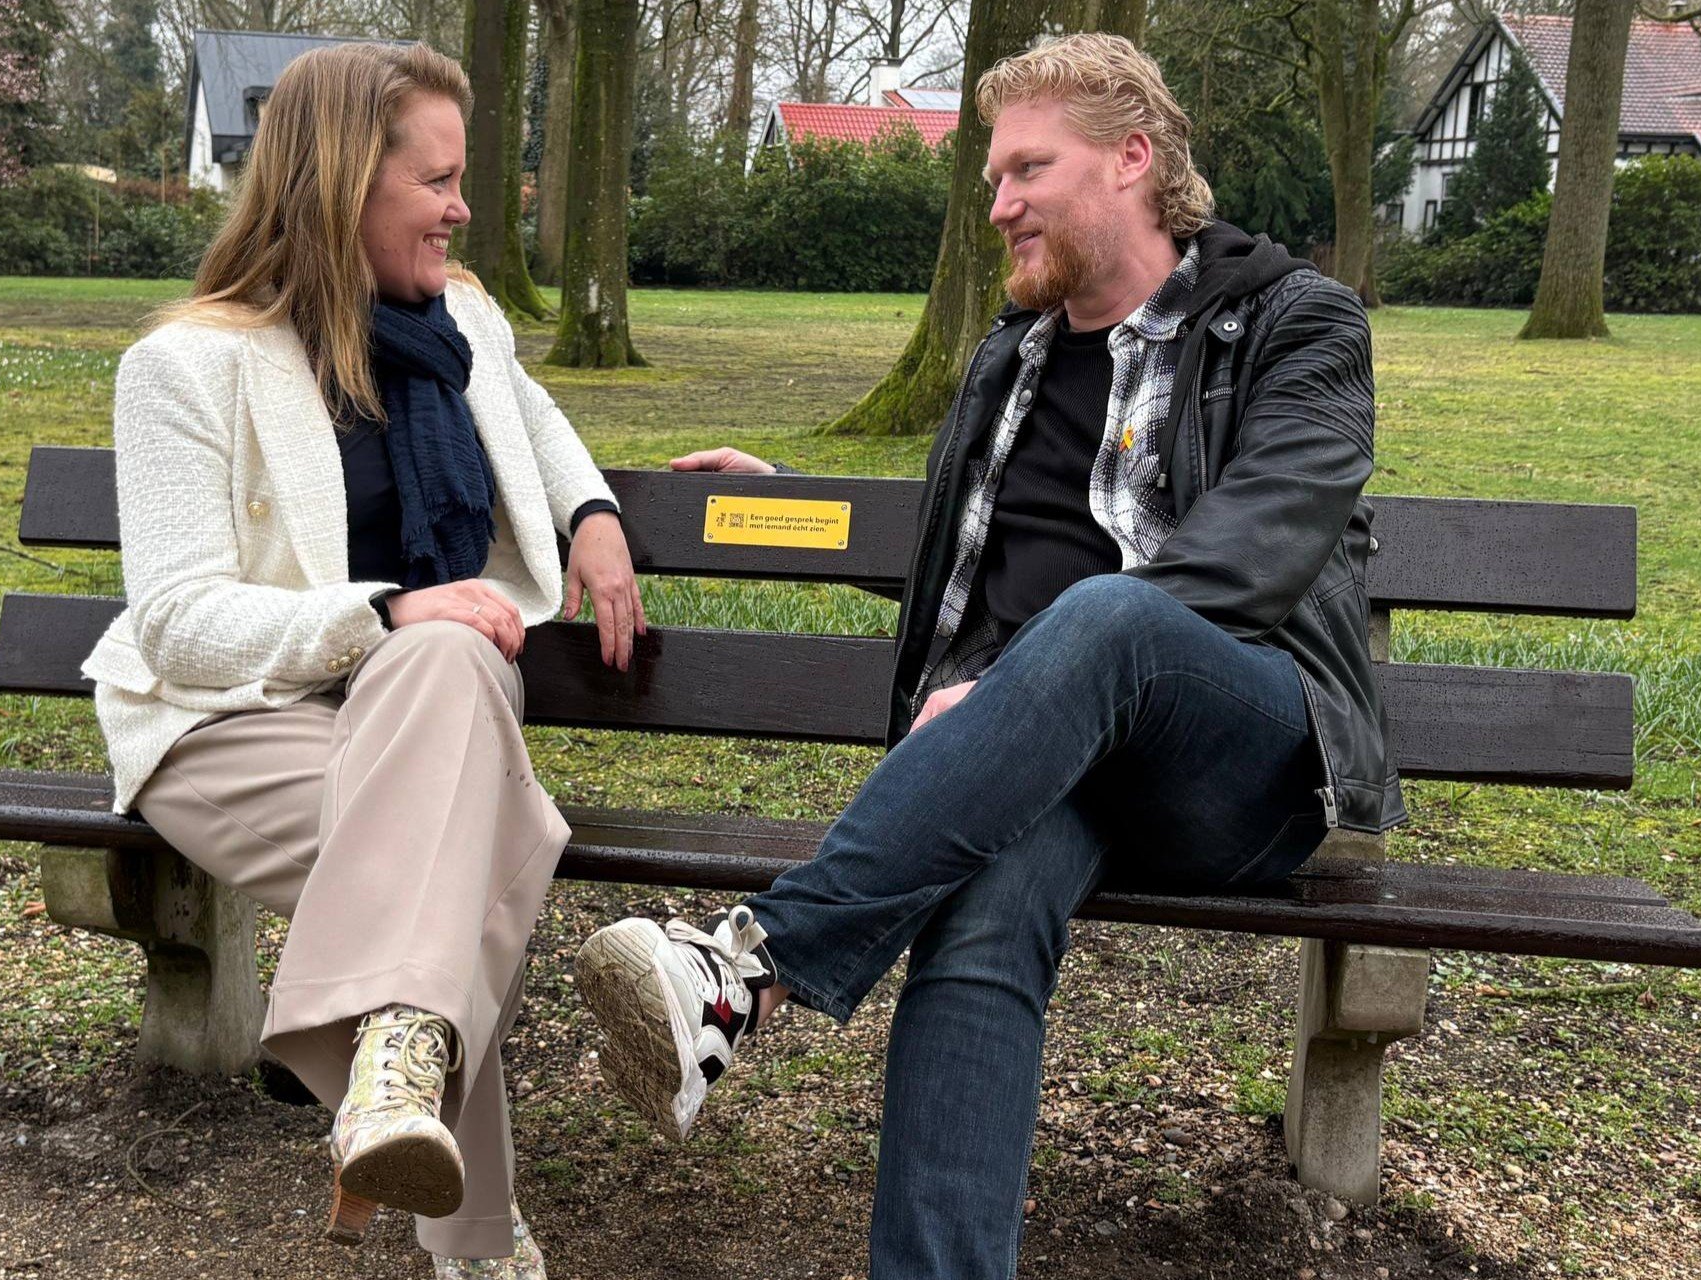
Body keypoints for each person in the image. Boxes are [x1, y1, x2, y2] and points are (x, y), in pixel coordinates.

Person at [572, 33, 1401, 1279]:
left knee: (1107, 621)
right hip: (1039, 760)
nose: (996, 202)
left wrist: (1022, 676)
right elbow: (960, 544)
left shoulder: (1293, 325)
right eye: (992, 176)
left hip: (1233, 753)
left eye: (1025, 168)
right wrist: (787, 501)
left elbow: (1263, 545)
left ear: (1131, 160)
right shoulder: (1009, 358)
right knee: (983, 911)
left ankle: (749, 966)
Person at [81, 42, 643, 1280]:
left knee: (436, 763)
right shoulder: (186, 365)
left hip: (424, 710)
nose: (462, 208)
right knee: (459, 847)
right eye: (436, 183)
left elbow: (532, 415)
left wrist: (590, 512)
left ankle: (390, 1078)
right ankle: (481, 1247)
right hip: (230, 722)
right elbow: (174, 620)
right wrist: (382, 612)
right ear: (340, 183)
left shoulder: (464, 321)